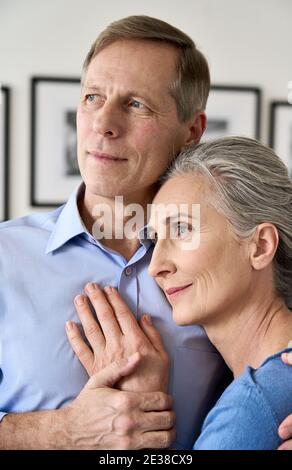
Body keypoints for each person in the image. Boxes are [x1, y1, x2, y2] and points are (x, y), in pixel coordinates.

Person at [0, 15, 291, 450]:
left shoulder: (224, 266)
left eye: (136, 105)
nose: (103, 124)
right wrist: (62, 431)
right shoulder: (5, 256)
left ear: (192, 130)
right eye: (92, 98)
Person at [145, 137, 292, 449]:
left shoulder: (253, 405)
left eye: (182, 229)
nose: (155, 266)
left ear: (261, 246)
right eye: (155, 239)